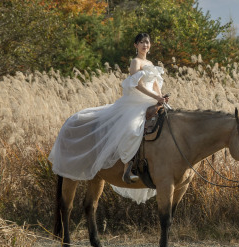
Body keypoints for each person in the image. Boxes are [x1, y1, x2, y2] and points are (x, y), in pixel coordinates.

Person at [49, 32, 170, 193]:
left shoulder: (150, 63)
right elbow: (136, 85)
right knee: (132, 128)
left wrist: (161, 97)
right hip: (136, 101)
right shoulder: (135, 62)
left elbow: (155, 84)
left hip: (152, 100)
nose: (145, 45)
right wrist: (155, 97)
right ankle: (128, 166)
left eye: (147, 42)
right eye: (141, 42)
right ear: (136, 45)